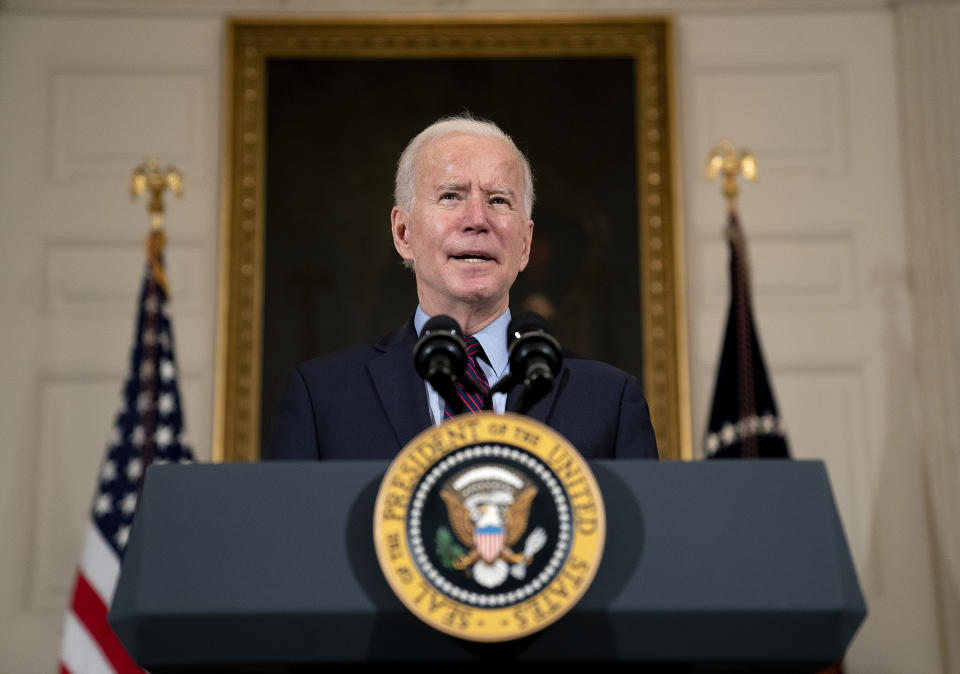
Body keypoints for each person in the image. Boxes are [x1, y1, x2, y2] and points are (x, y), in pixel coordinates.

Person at [266, 115, 658, 460]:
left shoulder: (610, 400)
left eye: (499, 200)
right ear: (403, 233)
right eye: (451, 196)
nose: (477, 220)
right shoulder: (322, 398)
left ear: (524, 244)